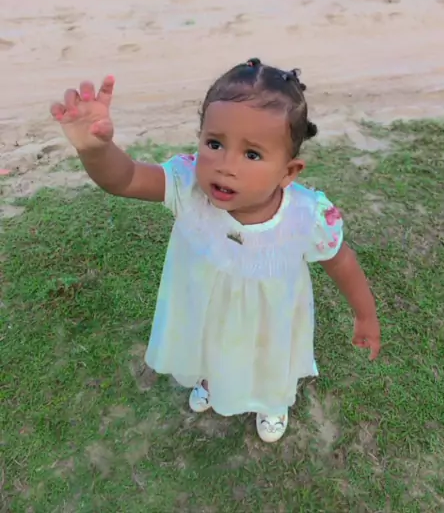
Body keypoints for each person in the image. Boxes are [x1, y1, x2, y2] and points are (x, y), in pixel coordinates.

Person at [50, 58, 381, 444]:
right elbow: (125, 179)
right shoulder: (188, 185)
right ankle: (212, 379)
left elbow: (341, 261)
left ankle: (271, 400)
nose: (225, 166)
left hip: (270, 318)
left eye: (252, 154)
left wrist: (365, 315)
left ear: (288, 172)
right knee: (211, 344)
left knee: (267, 358)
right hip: (206, 306)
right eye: (215, 144)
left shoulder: (308, 215)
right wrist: (95, 150)